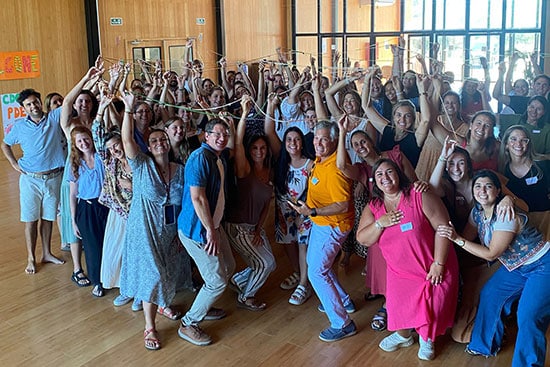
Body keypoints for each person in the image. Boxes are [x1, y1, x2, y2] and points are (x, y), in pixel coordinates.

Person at [437, 169, 550, 367]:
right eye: (478, 186)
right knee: (490, 293)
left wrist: (457, 239)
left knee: (528, 315)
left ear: (498, 191)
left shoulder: (505, 214)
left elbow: (491, 253)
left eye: (488, 186)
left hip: (542, 265)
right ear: (473, 192)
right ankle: (484, 345)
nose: (482, 190)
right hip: (517, 266)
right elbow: (467, 237)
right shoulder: (477, 213)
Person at [356, 159, 459, 361]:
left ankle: (426, 337)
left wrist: (439, 264)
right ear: (374, 181)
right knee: (398, 307)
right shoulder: (374, 206)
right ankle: (404, 336)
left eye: (389, 172)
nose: (385, 178)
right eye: (379, 175)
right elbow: (362, 238)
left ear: (398, 174)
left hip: (432, 265)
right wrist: (380, 224)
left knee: (433, 305)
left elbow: (443, 228)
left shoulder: (418, 194)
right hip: (399, 272)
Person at [430, 137, 524, 343]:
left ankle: (494, 321)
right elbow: (431, 187)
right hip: (468, 245)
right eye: (451, 164)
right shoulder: (448, 187)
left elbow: (522, 206)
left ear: (469, 165)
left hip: (499, 249)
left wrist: (509, 198)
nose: (456, 168)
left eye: (461, 162)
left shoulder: (485, 180)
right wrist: (442, 157)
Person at [119, 91, 189, 350]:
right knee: (152, 275)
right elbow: (127, 139)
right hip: (144, 230)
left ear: (169, 143)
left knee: (167, 273)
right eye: (154, 140)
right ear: (148, 146)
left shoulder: (180, 170)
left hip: (170, 231)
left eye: (163, 139)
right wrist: (128, 109)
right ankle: (149, 326)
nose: (159, 142)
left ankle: (163, 304)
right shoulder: (140, 165)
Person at [336, 117, 419, 332]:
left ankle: (389, 307)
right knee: (383, 267)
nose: (361, 147)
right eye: (356, 145)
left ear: (371, 142)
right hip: (380, 223)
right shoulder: (362, 169)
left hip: (403, 215)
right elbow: (340, 166)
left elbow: (413, 180)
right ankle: (388, 299)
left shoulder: (395, 155)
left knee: (402, 265)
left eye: (363, 141)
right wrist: (342, 133)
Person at [288, 120, 357, 343]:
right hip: (321, 222)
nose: (318, 142)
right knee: (316, 264)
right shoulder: (322, 160)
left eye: (324, 139)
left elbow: (343, 205)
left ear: (334, 141)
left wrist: (313, 210)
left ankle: (342, 323)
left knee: (316, 271)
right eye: (316, 138)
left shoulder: (336, 168)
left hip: (332, 225)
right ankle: (344, 300)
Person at [177, 119, 236, 346]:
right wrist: (210, 231)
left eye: (225, 134)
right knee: (217, 281)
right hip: (198, 230)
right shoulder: (200, 158)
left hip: (212, 226)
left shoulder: (218, 157)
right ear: (206, 136)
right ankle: (189, 323)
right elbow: (198, 198)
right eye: (217, 134)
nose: (222, 138)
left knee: (229, 267)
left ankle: (203, 305)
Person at [1, 89, 66, 274]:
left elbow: (69, 100)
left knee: (48, 219)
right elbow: (5, 144)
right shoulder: (20, 126)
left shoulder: (53, 118)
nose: (33, 106)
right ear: (24, 108)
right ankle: (31, 257)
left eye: (35, 102)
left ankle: (47, 253)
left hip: (54, 178)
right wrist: (13, 163)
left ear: (40, 102)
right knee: (30, 220)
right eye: (28, 104)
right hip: (31, 180)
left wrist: (89, 78)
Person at [224, 96, 276, 310]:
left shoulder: (269, 171)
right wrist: (244, 114)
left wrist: (258, 228)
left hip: (253, 227)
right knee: (266, 263)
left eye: (262, 148)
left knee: (268, 264)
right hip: (237, 226)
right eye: (254, 148)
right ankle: (247, 296)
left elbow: (266, 206)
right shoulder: (245, 169)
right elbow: (237, 144)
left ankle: (237, 280)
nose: (259, 152)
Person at [264, 93, 314, 306]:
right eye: (289, 139)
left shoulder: (310, 163)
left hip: (304, 211)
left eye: (297, 139)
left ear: (302, 143)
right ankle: (297, 272)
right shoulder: (280, 159)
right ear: (285, 143)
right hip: (284, 210)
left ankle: (304, 283)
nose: (293, 143)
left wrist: (308, 212)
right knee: (287, 243)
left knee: (303, 244)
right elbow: (268, 130)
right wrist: (270, 105)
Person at [68, 125, 108, 298]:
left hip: (105, 206)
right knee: (93, 248)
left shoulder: (102, 158)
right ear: (75, 144)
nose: (84, 143)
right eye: (79, 141)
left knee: (109, 243)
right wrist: (73, 219)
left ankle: (112, 277)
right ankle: (97, 281)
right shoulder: (75, 164)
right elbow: (72, 194)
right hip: (86, 208)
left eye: (86, 139)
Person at [363, 69, 430, 168]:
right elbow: (366, 106)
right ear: (393, 117)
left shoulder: (416, 137)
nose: (402, 120)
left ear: (413, 119)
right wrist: (367, 79)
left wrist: (422, 90)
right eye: (398, 115)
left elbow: (426, 120)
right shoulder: (387, 130)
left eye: (407, 116)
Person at [499, 125, 550, 240]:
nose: (519, 144)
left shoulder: (543, 165)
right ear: (506, 144)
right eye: (513, 139)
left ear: (529, 144)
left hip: (545, 219)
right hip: (520, 225)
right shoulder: (502, 170)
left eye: (524, 140)